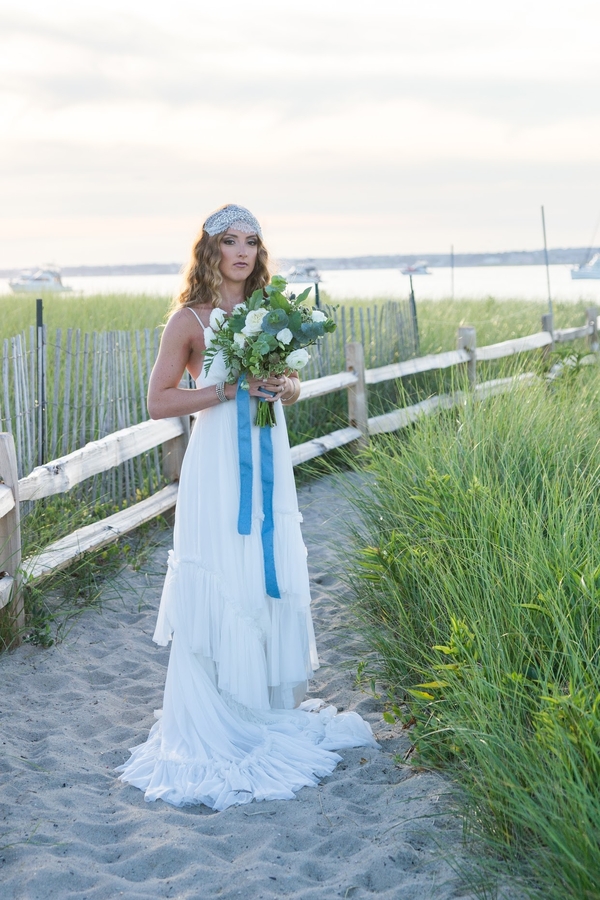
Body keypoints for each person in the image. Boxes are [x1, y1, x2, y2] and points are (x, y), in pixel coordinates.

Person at [117, 204, 376, 810]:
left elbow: (292, 386)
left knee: (263, 568)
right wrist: (227, 389)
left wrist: (285, 386)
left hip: (268, 457)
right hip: (214, 466)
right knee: (220, 569)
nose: (242, 251)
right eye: (230, 241)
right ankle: (219, 707)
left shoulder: (270, 312)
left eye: (252, 241)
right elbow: (158, 401)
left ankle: (258, 700)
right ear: (210, 250)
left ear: (260, 251)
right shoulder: (189, 319)